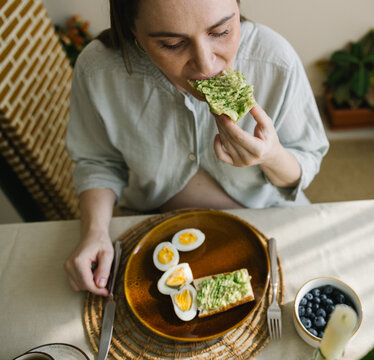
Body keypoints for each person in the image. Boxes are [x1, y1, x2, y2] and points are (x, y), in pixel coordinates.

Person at [63, 0, 329, 296]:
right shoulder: (99, 70)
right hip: (155, 229)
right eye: (172, 43)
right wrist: (95, 232)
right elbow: (97, 162)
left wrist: (272, 156)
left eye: (221, 32)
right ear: (132, 30)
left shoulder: (274, 60)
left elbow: (306, 160)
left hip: (270, 220)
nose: (205, 64)